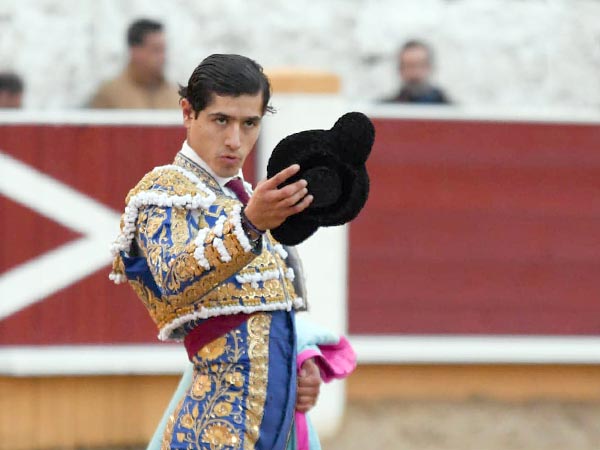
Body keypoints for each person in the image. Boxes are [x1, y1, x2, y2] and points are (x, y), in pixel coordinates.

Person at [110, 54, 355, 449]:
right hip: (213, 426)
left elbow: (271, 311)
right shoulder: (162, 195)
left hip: (273, 426)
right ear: (188, 112)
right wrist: (249, 225)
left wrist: (301, 360)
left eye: (249, 123)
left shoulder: (250, 201)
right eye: (221, 120)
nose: (235, 141)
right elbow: (173, 277)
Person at [89, 18, 179, 109]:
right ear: (135, 51)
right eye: (156, 50)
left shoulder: (175, 95)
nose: (163, 57)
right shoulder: (109, 95)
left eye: (163, 50)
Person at [383, 39, 450, 104]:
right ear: (400, 69)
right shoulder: (385, 108)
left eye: (420, 65)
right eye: (409, 66)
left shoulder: (449, 107)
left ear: (430, 67)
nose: (415, 73)